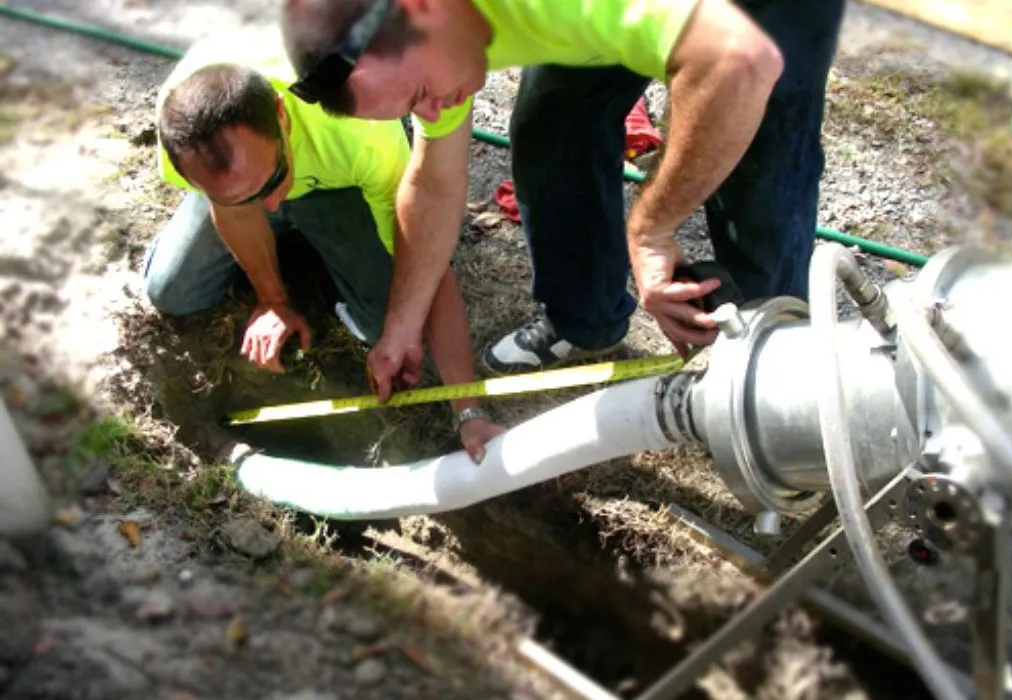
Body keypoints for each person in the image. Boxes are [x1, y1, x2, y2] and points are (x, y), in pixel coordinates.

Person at [279, 0, 845, 399]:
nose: (431, 113)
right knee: (553, 129)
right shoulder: (428, 33)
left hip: (762, 17)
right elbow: (432, 183)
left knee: (764, 173)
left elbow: (739, 61)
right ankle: (585, 316)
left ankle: (776, 372)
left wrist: (650, 228)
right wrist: (402, 325)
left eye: (422, 95)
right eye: (412, 107)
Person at [142, 25, 504, 462]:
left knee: (395, 332)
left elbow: (430, 259)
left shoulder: (358, 131)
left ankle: (319, 256)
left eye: (273, 180)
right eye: (248, 197)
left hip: (339, 190)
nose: (272, 205)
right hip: (247, 182)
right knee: (171, 291)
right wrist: (272, 301)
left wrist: (468, 409)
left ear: (281, 114)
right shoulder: (185, 138)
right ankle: (291, 255)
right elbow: (238, 203)